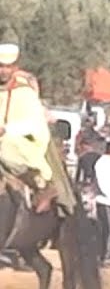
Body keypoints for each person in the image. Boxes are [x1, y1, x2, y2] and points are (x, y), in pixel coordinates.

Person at [0, 43, 73, 214]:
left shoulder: (25, 92)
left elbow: (34, 123)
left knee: (5, 147)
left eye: (7, 67)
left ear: (15, 68)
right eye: (0, 66)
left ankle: (40, 185)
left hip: (23, 141)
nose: (3, 71)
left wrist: (6, 130)